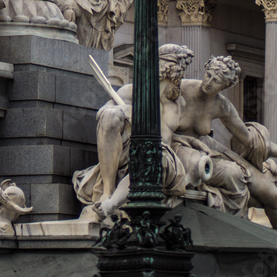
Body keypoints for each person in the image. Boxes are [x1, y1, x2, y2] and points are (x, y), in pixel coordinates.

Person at [175, 54, 277, 231]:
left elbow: (250, 140)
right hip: (180, 150)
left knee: (274, 196)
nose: (209, 82)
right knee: (234, 174)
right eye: (208, 75)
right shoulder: (180, 88)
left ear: (225, 86)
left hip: (210, 150)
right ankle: (234, 230)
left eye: (216, 81)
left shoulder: (221, 105)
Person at [73, 44, 194, 219]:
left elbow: (189, 134)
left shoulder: (178, 103)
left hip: (163, 158)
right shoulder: (132, 92)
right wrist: (128, 111)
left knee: (151, 156)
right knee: (111, 115)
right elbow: (102, 115)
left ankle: (112, 203)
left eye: (180, 71)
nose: (179, 74)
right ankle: (107, 192)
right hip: (133, 149)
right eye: (176, 69)